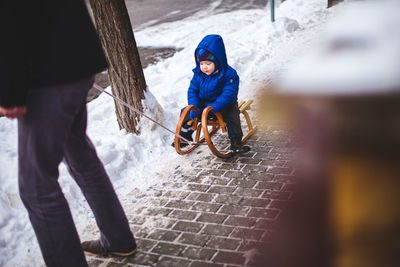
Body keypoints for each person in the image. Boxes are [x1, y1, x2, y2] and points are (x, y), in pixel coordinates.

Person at [0, 1, 136, 266]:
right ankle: (118, 238)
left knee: (36, 187)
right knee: (80, 156)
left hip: (44, 75)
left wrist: (10, 89)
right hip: (75, 59)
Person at [174, 34, 250, 153]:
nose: (204, 67)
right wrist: (195, 107)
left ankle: (236, 142)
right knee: (186, 111)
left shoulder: (229, 74)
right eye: (201, 64)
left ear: (218, 61)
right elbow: (192, 91)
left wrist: (216, 106)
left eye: (208, 64)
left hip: (222, 107)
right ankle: (184, 137)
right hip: (203, 106)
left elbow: (228, 94)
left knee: (232, 114)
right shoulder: (199, 75)